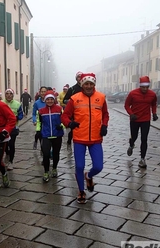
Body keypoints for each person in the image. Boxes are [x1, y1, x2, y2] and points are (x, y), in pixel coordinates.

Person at [62, 73, 109, 204]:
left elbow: (105, 114)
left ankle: (88, 176)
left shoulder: (101, 97)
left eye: (91, 84)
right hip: (79, 138)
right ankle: (81, 191)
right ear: (82, 85)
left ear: (94, 84)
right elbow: (64, 116)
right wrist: (69, 123)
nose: (88, 86)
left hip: (96, 138)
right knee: (79, 166)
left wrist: (104, 125)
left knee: (98, 166)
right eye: (86, 84)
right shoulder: (74, 98)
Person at [124, 76, 158, 169]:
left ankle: (142, 159)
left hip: (146, 119)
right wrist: (131, 114)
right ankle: (131, 145)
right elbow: (126, 105)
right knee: (134, 137)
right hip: (135, 119)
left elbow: (154, 104)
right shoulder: (133, 93)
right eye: (143, 87)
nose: (145, 89)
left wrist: (154, 113)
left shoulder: (152, 94)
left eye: (147, 87)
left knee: (144, 139)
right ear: (140, 86)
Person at [37, 91, 64, 182]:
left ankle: (54, 168)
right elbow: (39, 122)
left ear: (54, 99)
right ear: (45, 100)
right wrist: (38, 131)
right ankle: (46, 172)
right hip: (46, 135)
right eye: (47, 99)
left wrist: (61, 126)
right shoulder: (41, 111)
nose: (49, 101)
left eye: (51, 99)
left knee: (56, 154)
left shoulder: (59, 109)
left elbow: (64, 120)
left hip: (57, 135)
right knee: (46, 154)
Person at [3, 88, 24, 170]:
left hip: (13, 128)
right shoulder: (1, 103)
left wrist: (16, 117)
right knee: (5, 145)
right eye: (7, 93)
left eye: (10, 94)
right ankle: (7, 154)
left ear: (13, 95)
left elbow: (21, 115)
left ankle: (11, 161)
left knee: (11, 145)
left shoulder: (17, 104)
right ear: (5, 95)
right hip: (3, 128)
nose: (8, 95)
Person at [63, 72, 83, 152]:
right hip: (74, 112)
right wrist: (73, 102)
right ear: (76, 78)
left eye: (81, 77)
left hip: (84, 113)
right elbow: (65, 100)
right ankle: (69, 141)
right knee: (73, 128)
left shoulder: (86, 88)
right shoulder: (72, 89)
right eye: (78, 77)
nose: (80, 78)